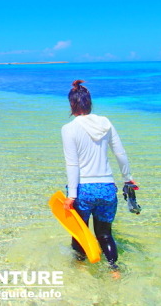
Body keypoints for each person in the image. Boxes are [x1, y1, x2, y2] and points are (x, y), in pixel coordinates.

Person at [61, 80, 138, 270]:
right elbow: (120, 153)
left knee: (80, 233)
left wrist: (71, 195)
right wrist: (127, 179)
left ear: (72, 104)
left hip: (83, 189)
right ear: (90, 103)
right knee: (105, 234)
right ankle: (114, 270)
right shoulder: (105, 122)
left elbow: (72, 163)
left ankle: (80, 268)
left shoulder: (68, 128)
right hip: (106, 188)